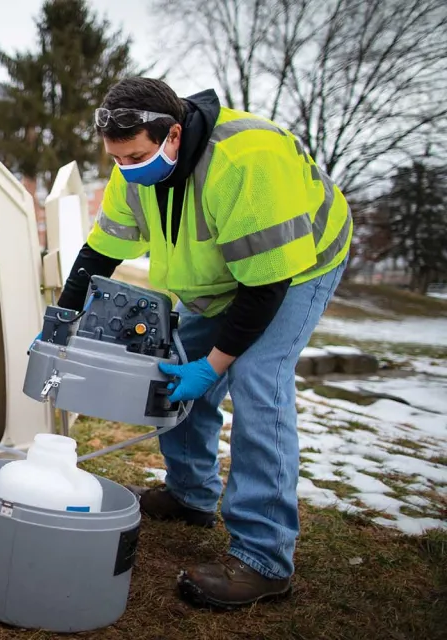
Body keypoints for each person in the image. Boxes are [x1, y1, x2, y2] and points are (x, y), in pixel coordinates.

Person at [55, 77, 352, 609]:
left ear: (172, 135)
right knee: (176, 361)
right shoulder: (137, 169)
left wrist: (214, 366)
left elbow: (263, 287)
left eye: (136, 155)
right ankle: (191, 494)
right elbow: (101, 251)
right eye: (117, 158)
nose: (126, 168)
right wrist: (60, 316)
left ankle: (264, 557)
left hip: (296, 264)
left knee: (259, 380)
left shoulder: (247, 160)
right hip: (224, 275)